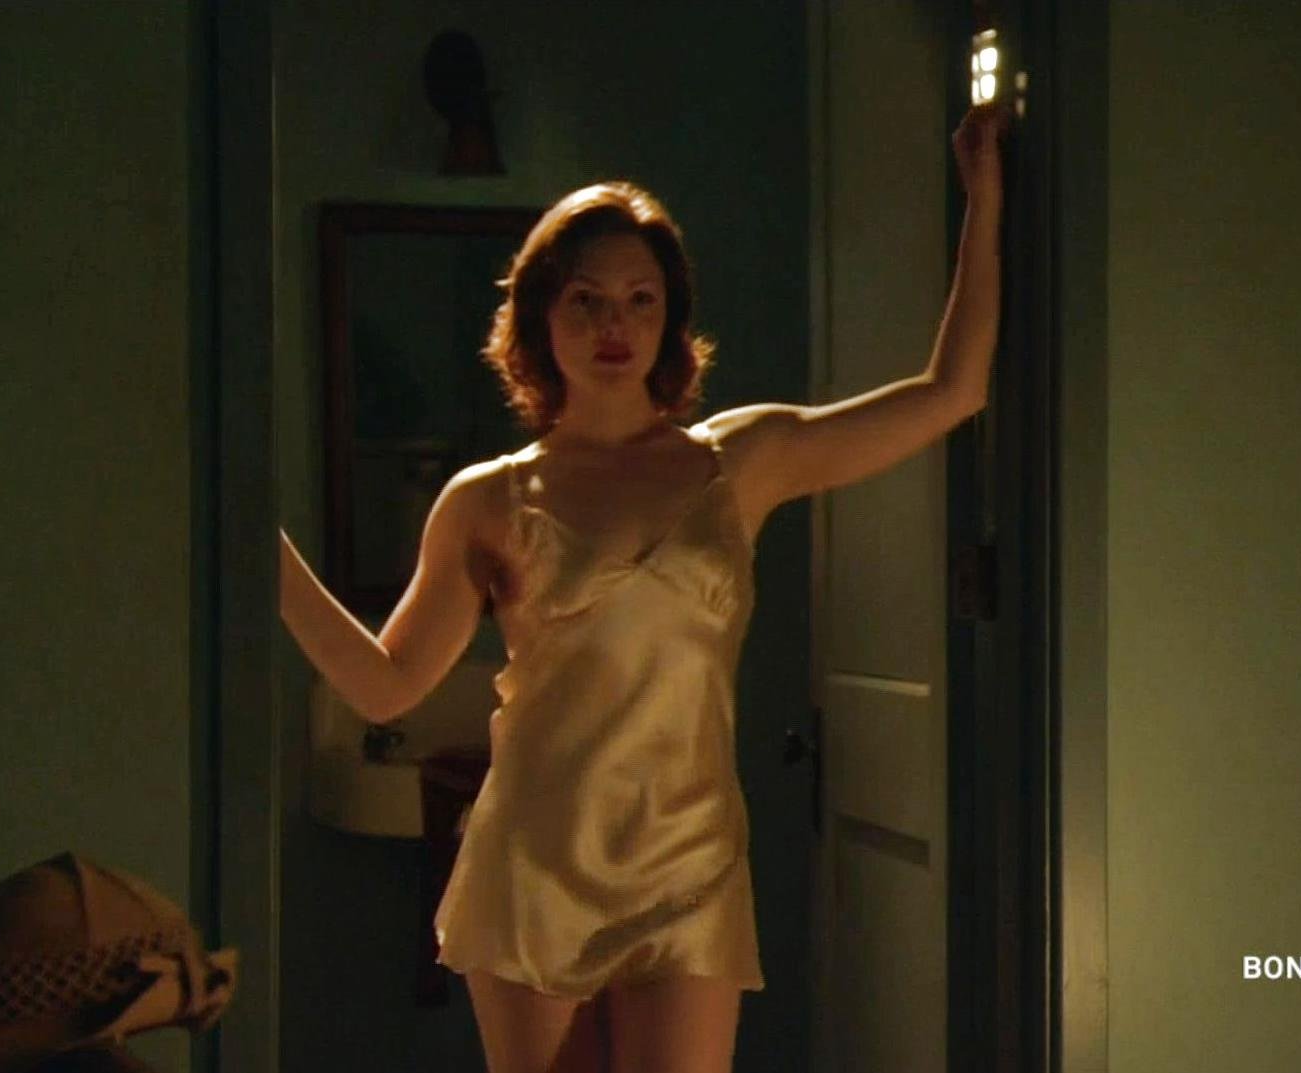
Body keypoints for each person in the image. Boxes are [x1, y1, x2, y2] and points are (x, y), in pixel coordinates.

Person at [278, 100, 1009, 1073]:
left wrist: (984, 199)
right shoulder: (489, 499)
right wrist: (262, 550)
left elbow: (952, 391)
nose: (613, 325)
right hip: (538, 858)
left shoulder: (741, 461)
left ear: (670, 318)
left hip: (689, 858)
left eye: (639, 299)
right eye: (586, 300)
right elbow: (385, 684)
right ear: (541, 316)